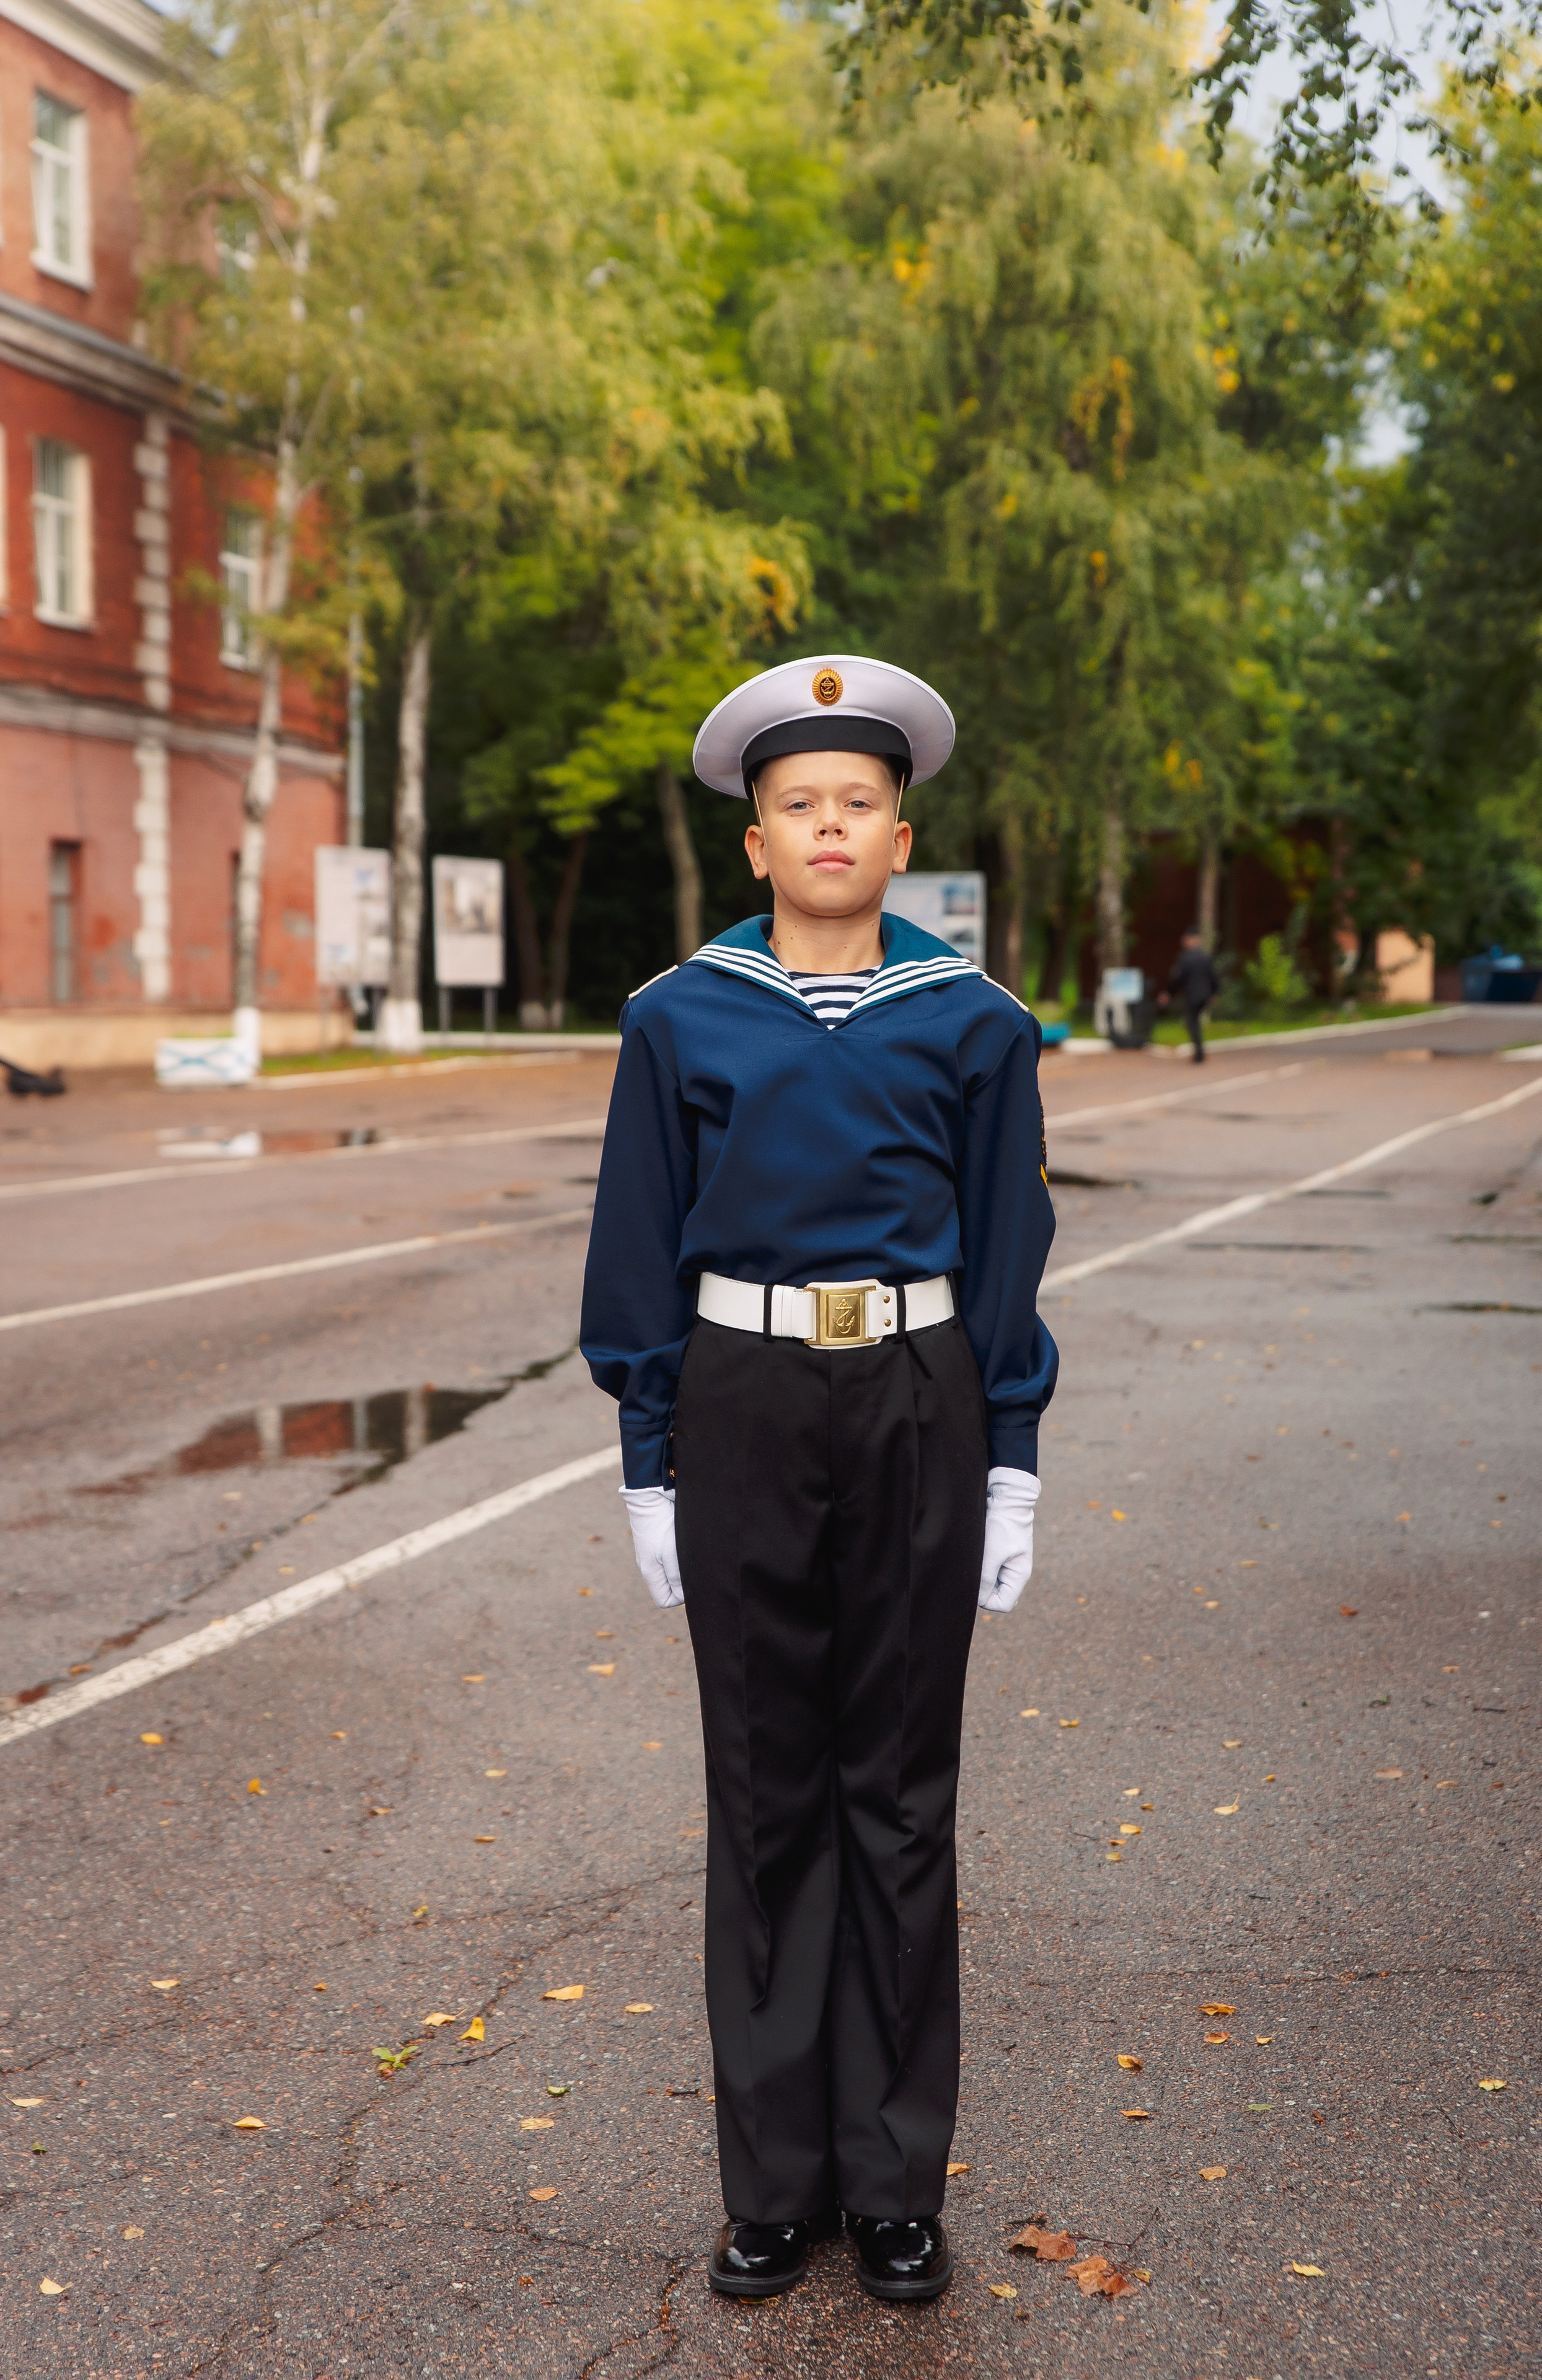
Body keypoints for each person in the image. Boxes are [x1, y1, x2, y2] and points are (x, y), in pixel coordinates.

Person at [579, 655, 1058, 2306]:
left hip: (921, 1392)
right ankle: (777, 2182)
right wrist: (650, 1460)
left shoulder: (976, 1024)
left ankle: (896, 2179)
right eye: (800, 805)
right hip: (742, 1399)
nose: (830, 825)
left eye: (858, 801)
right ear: (757, 845)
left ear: (899, 834)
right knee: (771, 1791)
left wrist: (1014, 1459)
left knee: (902, 1796)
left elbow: (1010, 1257)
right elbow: (635, 1250)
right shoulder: (678, 1015)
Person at [1163, 928, 1219, 1061]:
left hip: (1193, 996)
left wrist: (1168, 993)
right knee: (1194, 1021)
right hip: (1205, 995)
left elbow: (1178, 979)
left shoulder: (1185, 959)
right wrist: (1214, 993)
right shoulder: (1205, 957)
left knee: (1192, 1022)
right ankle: (1199, 1052)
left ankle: (1199, 1054)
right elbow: (1213, 977)